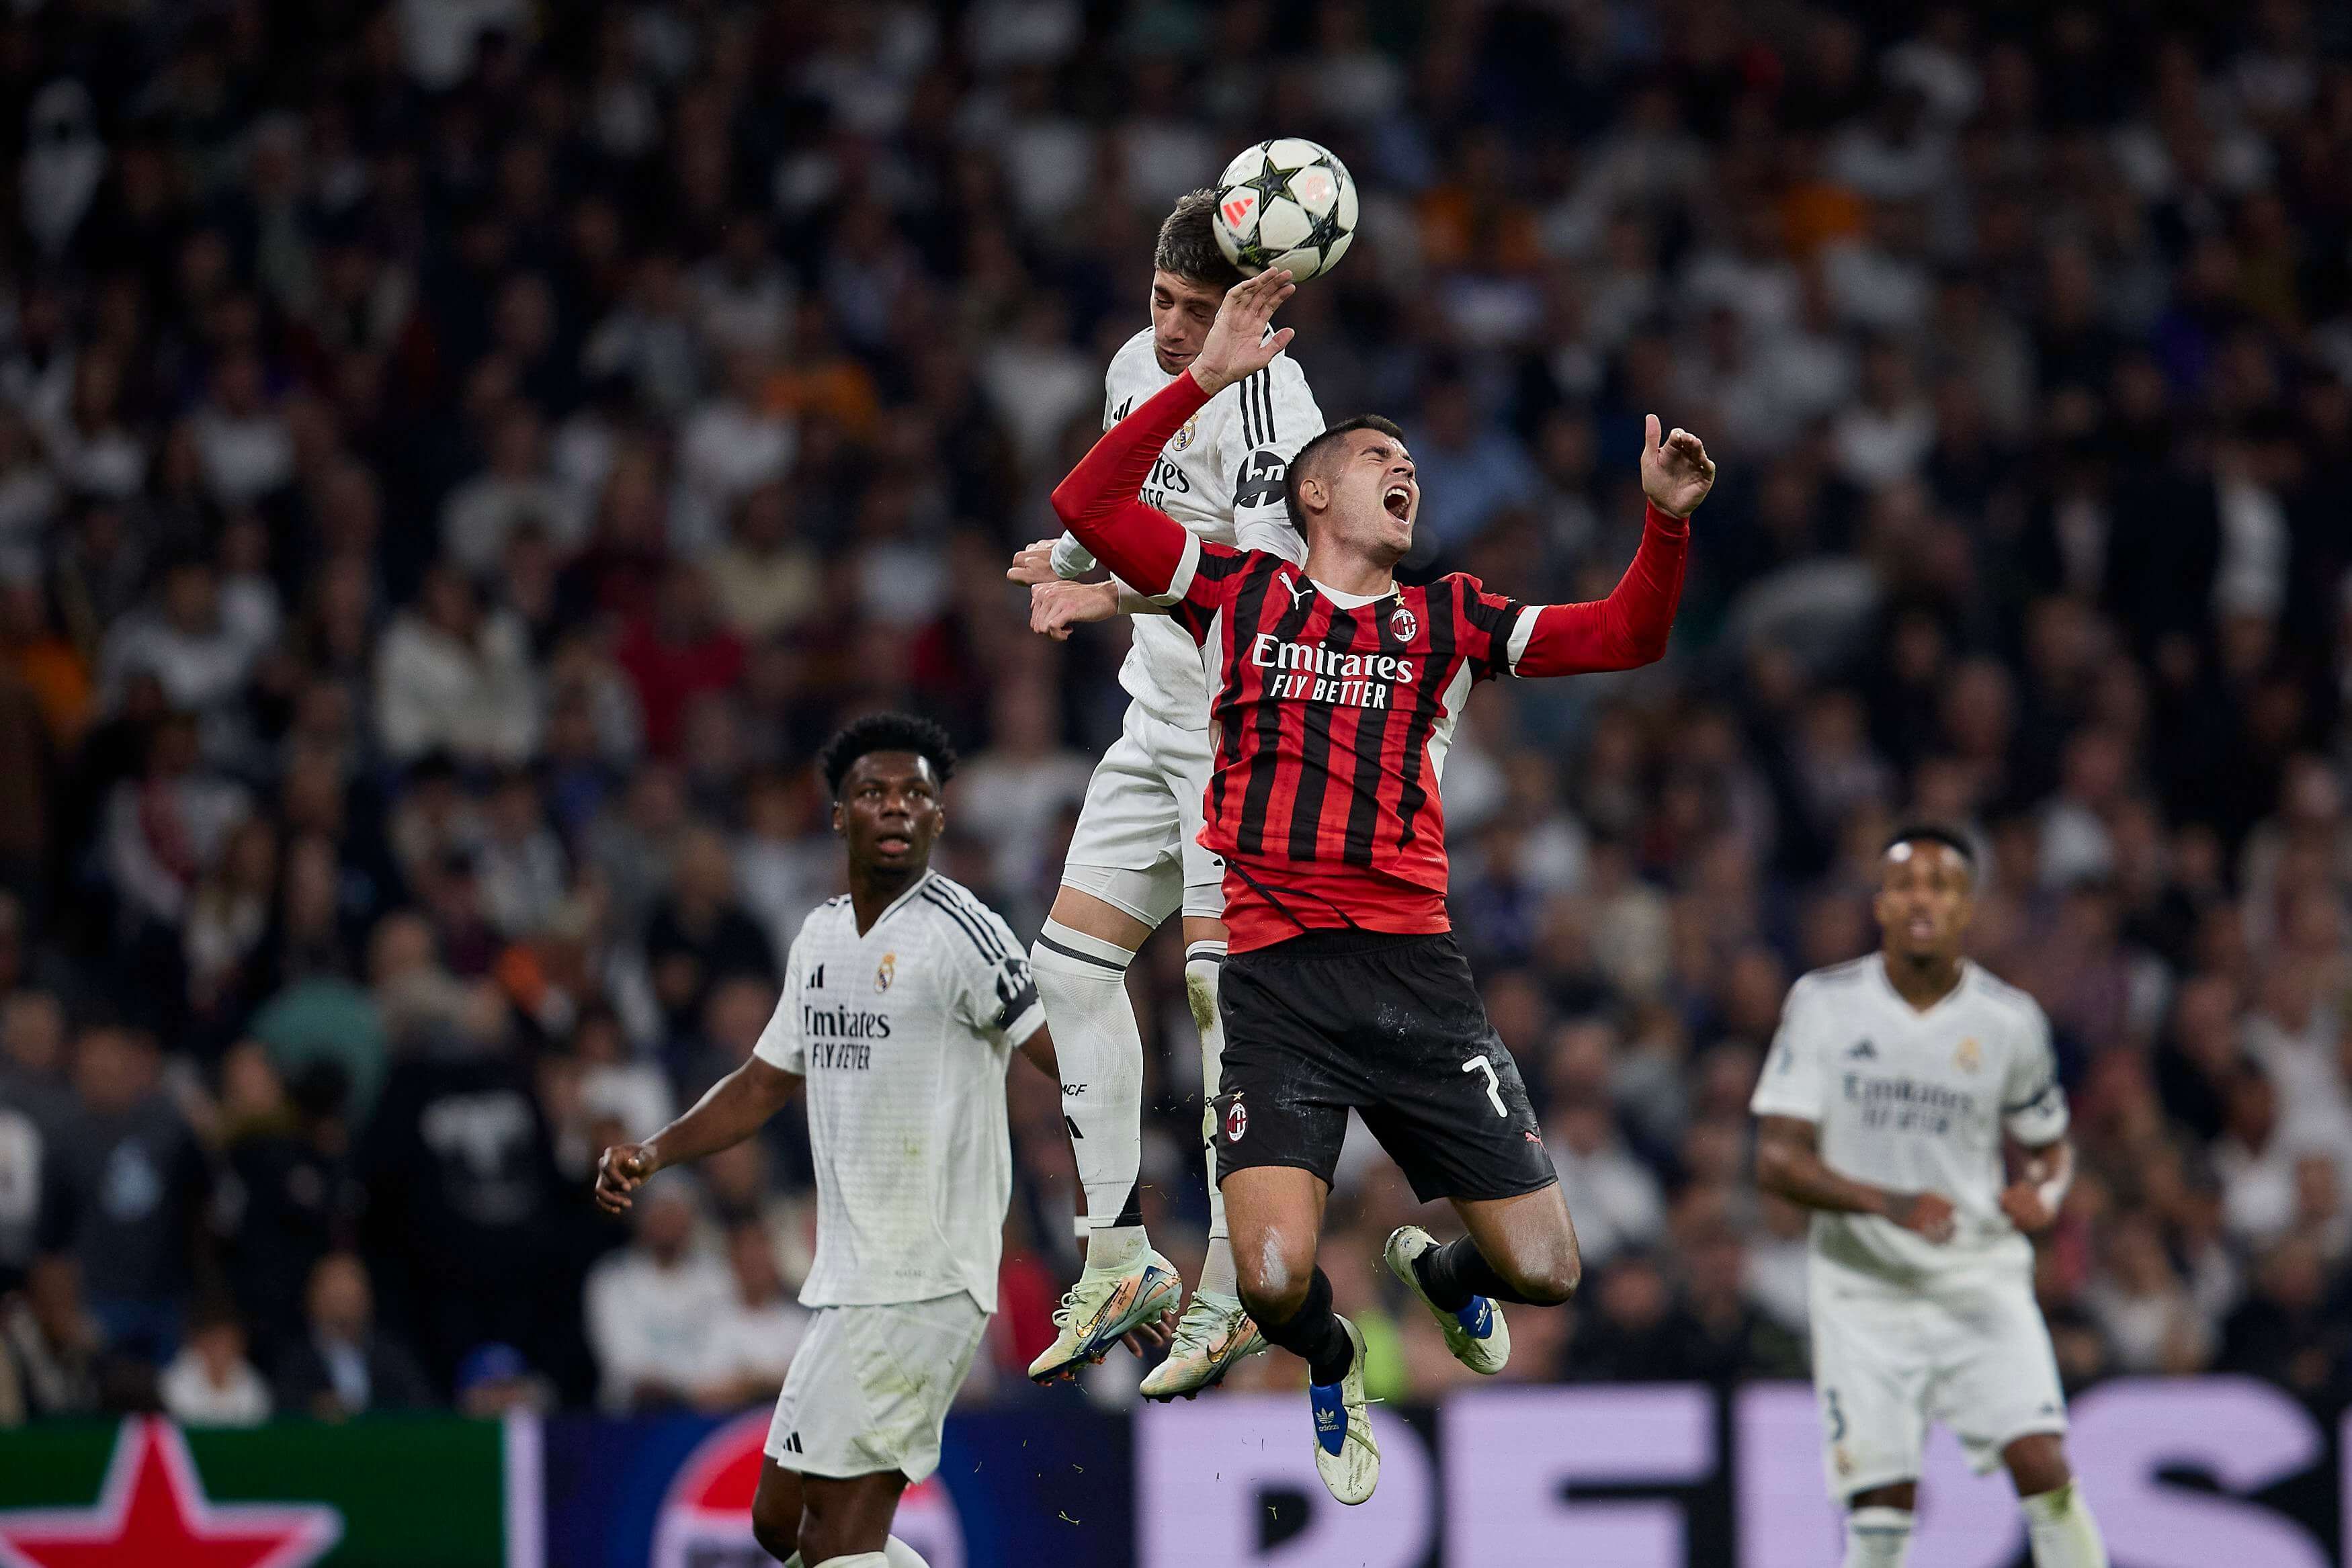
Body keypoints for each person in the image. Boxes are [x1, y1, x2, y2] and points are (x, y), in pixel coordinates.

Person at [1042, 268, 1710, 1503]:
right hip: (1278, 991)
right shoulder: (1232, 591)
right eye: (1379, 457)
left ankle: (1439, 1270)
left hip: (1415, 983)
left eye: (1415, 465)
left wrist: (1662, 521)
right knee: (1277, 1279)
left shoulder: (1451, 618)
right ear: (1313, 487)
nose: (1407, 473)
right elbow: (1085, 497)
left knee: (1549, 1269)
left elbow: (1628, 634)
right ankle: (1334, 1354)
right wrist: (1204, 379)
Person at [595, 713, 1066, 1568]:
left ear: (939, 819)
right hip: (850, 1283)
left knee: (843, 1539)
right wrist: (654, 1152)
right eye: (873, 793)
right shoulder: (817, 936)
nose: (895, 808)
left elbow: (1060, 1052)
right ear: (839, 816)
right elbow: (764, 1081)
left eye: (915, 794)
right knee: (781, 1526)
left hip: (923, 1277)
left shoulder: (964, 933)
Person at [1005, 189, 1326, 1397]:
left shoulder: (1276, 399)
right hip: (1157, 719)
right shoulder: (1136, 366)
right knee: (1071, 968)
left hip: (1246, 729)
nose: (1180, 329)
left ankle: (1240, 1281)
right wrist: (1081, 561)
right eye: (1166, 300)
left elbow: (1248, 582)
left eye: (1205, 308)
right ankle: (1123, 1253)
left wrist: (1107, 593)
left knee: (1210, 988)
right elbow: (1130, 512)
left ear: (1255, 300)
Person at [1751, 826, 2109, 1568]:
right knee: (1881, 1503)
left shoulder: (2007, 1021)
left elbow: (2048, 1146)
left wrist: (2043, 1193)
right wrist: (1888, 1204)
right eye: (1905, 884)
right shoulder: (1822, 1005)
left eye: (1940, 886)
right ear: (1879, 904)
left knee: (2042, 1462)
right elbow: (1777, 1159)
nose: (1922, 899)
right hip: (1862, 1286)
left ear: (1966, 908)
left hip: (1976, 1274)